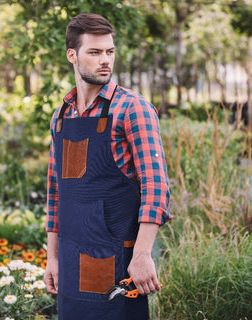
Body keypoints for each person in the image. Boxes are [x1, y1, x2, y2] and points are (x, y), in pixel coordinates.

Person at [43, 13, 171, 320]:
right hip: (72, 262)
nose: (105, 61)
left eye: (109, 52)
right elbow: (56, 194)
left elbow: (156, 187)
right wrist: (53, 257)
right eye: (95, 52)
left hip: (118, 262)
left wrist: (142, 255)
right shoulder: (61, 118)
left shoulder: (132, 108)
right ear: (72, 55)